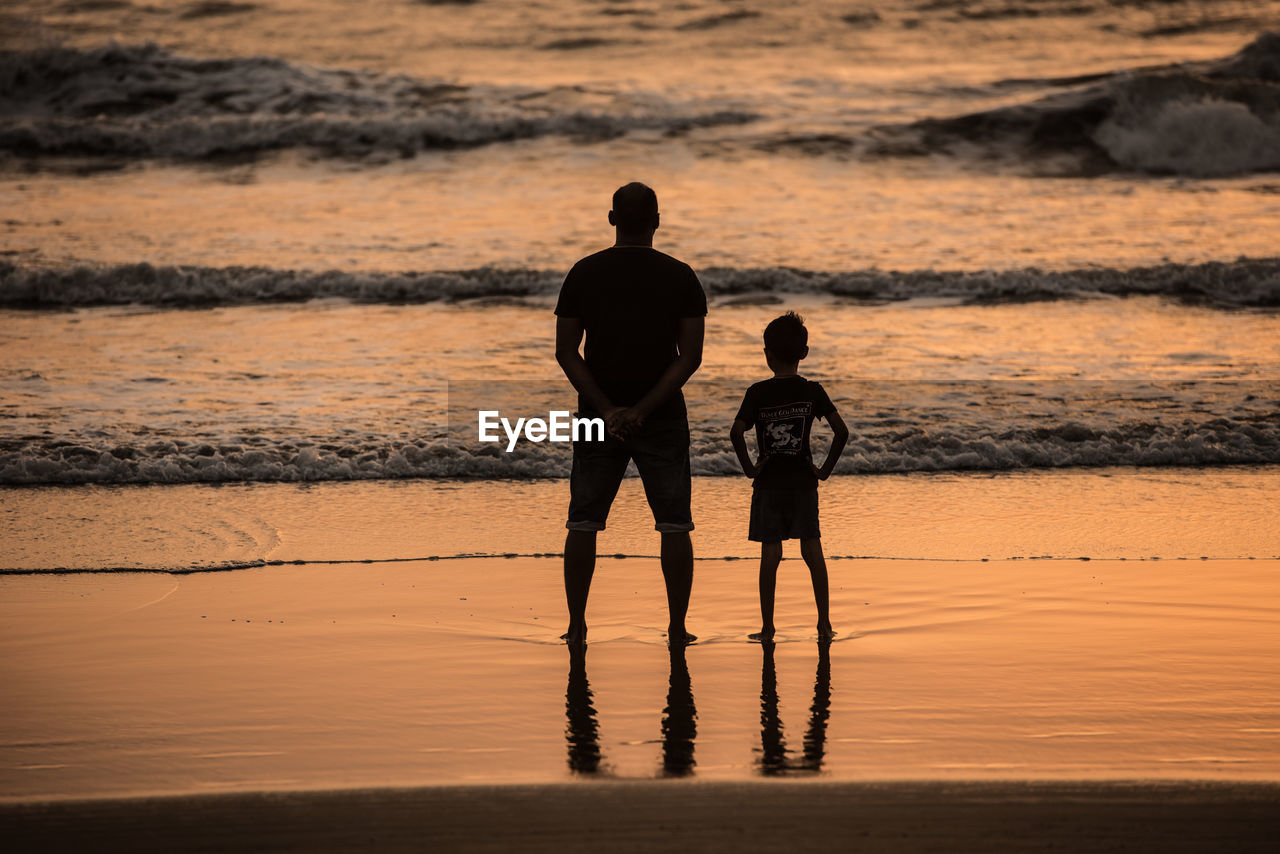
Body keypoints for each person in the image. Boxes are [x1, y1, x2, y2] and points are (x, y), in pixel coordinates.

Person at [554, 182, 707, 646]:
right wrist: (641, 410)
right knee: (674, 523)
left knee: (583, 520)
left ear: (612, 219)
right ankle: (677, 626)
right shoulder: (681, 276)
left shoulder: (584, 272)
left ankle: (577, 625)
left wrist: (607, 410)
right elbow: (690, 356)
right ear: (657, 221)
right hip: (660, 412)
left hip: (600, 410)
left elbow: (566, 352)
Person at [730, 312, 848, 641]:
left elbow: (736, 432)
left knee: (771, 554)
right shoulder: (812, 390)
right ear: (804, 353)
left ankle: (768, 627)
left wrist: (750, 469)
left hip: (768, 484)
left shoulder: (757, 393)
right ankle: (824, 624)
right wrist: (823, 471)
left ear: (768, 354)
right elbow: (842, 431)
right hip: (803, 483)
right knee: (812, 551)